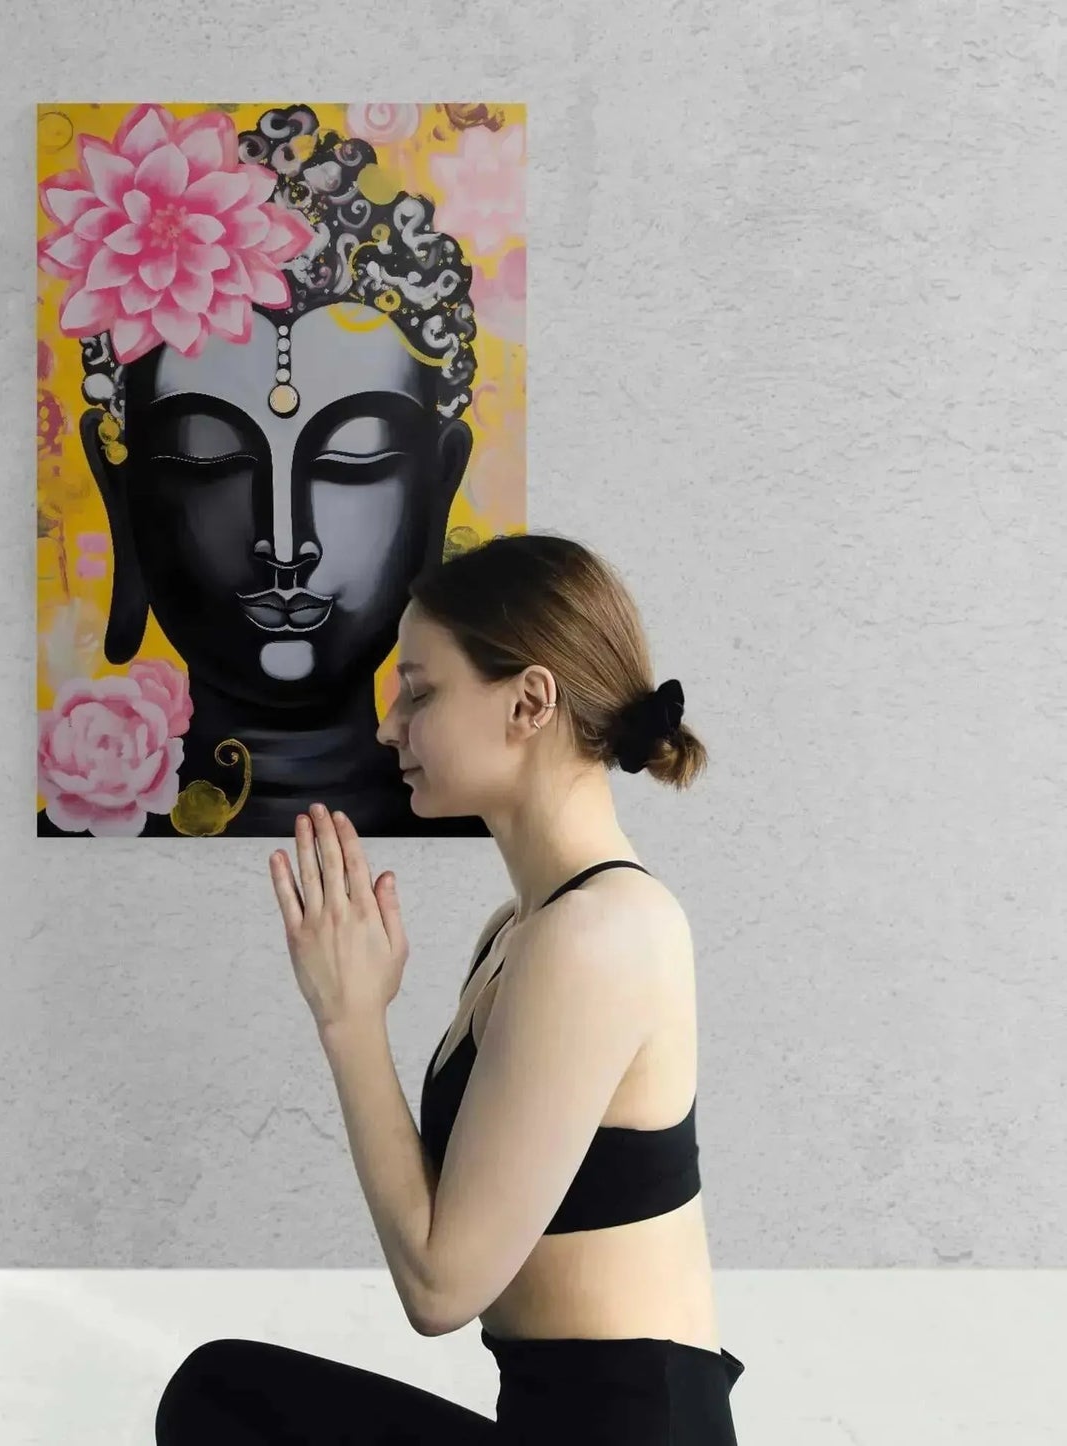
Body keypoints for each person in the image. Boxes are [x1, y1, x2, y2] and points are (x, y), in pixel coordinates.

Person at [153, 532, 746, 1443]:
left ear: (529, 701)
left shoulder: (601, 934)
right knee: (223, 1394)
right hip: (544, 1423)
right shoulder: (520, 931)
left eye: (420, 690)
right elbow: (458, 1220)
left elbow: (441, 1288)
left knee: (221, 1399)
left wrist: (350, 1023)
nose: (389, 725)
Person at [36, 103, 493, 837]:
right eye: (208, 460)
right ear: (122, 494)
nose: (286, 544)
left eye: (353, 459)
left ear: (436, 489)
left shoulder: (490, 845)